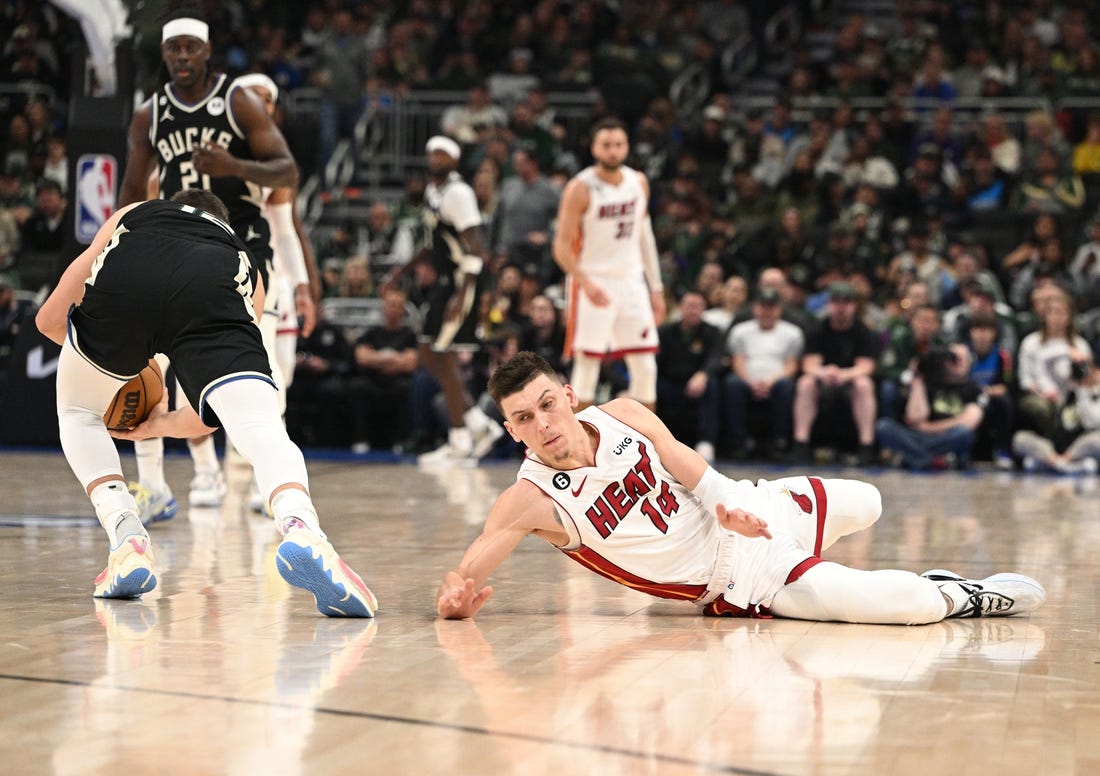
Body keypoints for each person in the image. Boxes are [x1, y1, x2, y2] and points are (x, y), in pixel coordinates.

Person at [434, 351, 1044, 623]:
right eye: (523, 418)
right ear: (512, 431)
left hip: (752, 507)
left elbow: (689, 465)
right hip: (742, 583)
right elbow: (472, 565)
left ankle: (829, 552)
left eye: (547, 405)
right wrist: (456, 600)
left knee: (871, 500)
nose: (542, 426)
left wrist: (730, 505)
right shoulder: (532, 500)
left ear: (570, 397)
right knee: (908, 608)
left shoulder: (621, 412)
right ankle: (961, 594)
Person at [35, 190, 376, 617]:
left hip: (129, 276)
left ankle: (128, 538)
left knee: (78, 413)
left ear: (174, 203)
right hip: (213, 285)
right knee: (263, 426)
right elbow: (210, 419)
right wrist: (157, 423)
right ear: (222, 221)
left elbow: (48, 319)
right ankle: (302, 528)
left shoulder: (135, 213)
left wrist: (121, 369)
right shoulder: (243, 255)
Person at [116, 13, 300, 521]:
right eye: (172, 49)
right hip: (179, 245)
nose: (181, 57)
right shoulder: (148, 115)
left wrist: (234, 167)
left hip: (244, 245)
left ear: (206, 52)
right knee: (154, 362)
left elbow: (288, 169)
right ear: (164, 54)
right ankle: (158, 483)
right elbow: (132, 191)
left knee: (256, 364)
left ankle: (273, 481)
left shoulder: (235, 101)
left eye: (189, 49)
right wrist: (115, 243)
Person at [553, 117, 666, 411]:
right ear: (594, 148)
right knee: (587, 368)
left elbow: (646, 238)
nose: (613, 151)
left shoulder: (638, 182)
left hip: (631, 282)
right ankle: (581, 451)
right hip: (593, 281)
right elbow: (561, 249)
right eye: (606, 145)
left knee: (645, 367)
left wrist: (656, 288)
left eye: (618, 145)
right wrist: (585, 284)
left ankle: (647, 446)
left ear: (626, 147)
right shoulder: (580, 187)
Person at [404, 135, 503, 462]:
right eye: (431, 152)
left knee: (441, 353)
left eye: (442, 154)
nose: (434, 158)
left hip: (463, 280)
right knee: (428, 352)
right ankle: (475, 424)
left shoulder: (459, 193)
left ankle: (462, 436)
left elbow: (477, 246)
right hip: (445, 281)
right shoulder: (435, 191)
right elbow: (435, 242)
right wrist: (403, 269)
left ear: (455, 160)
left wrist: (463, 295)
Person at [790, 282, 879, 465]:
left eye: (846, 303)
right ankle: (801, 443)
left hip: (850, 380)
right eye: (836, 302)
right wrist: (824, 372)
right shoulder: (817, 329)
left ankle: (866, 446)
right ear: (829, 304)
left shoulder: (864, 332)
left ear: (854, 306)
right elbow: (808, 364)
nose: (840, 308)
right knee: (805, 383)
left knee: (864, 384)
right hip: (824, 380)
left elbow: (866, 366)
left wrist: (843, 374)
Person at [875, 344, 985, 470]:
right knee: (884, 427)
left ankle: (917, 456)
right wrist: (918, 379)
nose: (955, 363)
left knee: (964, 434)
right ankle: (931, 459)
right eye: (952, 359)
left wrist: (928, 428)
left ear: (970, 362)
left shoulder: (973, 388)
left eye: (960, 359)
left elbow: (968, 422)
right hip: (919, 437)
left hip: (946, 437)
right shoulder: (930, 381)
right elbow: (914, 418)